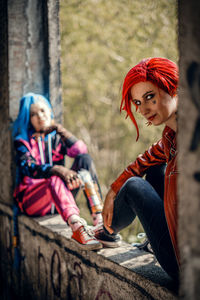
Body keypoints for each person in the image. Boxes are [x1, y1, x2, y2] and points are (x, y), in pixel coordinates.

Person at [95, 57, 180, 281]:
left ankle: (106, 232)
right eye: (138, 103)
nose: (143, 109)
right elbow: (145, 160)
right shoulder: (171, 137)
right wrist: (113, 190)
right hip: (179, 239)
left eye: (149, 97)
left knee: (134, 186)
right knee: (153, 169)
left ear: (174, 87)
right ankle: (109, 230)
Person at [13, 92, 103, 250]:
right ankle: (77, 228)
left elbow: (81, 150)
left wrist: (59, 129)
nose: (40, 116)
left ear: (49, 111)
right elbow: (28, 168)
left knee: (85, 160)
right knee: (54, 177)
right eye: (33, 114)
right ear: (28, 118)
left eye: (42, 110)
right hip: (33, 202)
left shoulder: (57, 138)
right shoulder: (23, 141)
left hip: (59, 198)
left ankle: (99, 220)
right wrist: (57, 169)